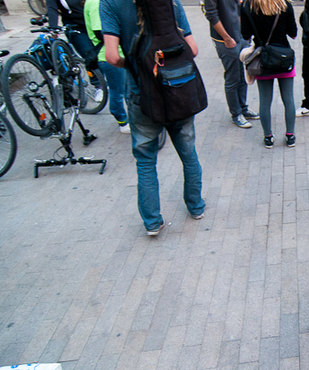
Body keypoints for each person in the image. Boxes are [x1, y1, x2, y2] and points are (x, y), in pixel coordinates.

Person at [101, 0, 206, 236]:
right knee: (188, 153)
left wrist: (135, 66)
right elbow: (194, 49)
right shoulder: (170, 2)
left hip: (141, 95)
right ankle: (196, 206)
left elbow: (111, 56)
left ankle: (152, 222)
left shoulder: (110, 3)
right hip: (177, 90)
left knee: (145, 160)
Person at [242, 0, 298, 148]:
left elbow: (245, 35)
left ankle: (268, 137)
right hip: (284, 58)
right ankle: (290, 135)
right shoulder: (285, 5)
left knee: (265, 101)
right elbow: (293, 34)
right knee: (289, 99)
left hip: (263, 60)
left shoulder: (249, 6)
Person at [204, 0, 259, 128]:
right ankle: (236, 113)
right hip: (225, 40)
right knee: (233, 76)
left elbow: (239, 6)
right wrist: (226, 38)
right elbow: (211, 14)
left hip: (238, 36)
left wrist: (242, 32)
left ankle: (243, 108)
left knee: (243, 74)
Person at [84, 0, 129, 134]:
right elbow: (100, 32)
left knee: (126, 89)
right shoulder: (95, 3)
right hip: (108, 56)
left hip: (118, 53)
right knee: (118, 92)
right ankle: (123, 122)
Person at [47, 0, 103, 102]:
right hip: (75, 26)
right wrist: (53, 28)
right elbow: (52, 8)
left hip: (95, 20)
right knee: (88, 54)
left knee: (104, 52)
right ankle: (99, 85)